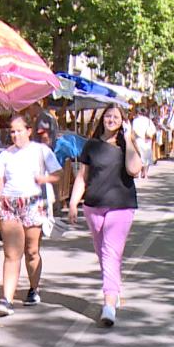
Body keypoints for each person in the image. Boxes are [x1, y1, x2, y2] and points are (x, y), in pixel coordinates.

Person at [68, 105, 143, 328]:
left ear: (123, 121)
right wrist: (73, 202)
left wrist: (129, 138)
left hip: (121, 206)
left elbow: (134, 170)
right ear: (102, 119)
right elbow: (83, 176)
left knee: (110, 253)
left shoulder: (126, 144)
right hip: (93, 206)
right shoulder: (92, 146)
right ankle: (114, 290)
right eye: (108, 116)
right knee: (104, 254)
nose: (111, 120)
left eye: (116, 117)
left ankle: (108, 304)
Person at [0, 114, 62, 317]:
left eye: (19, 130)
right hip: (9, 204)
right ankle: (7, 300)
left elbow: (59, 175)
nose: (15, 135)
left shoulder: (41, 151)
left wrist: (44, 178)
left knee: (32, 251)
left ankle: (34, 289)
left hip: (33, 203)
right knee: (11, 254)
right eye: (12, 131)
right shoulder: (5, 155)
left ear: (29, 131)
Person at [131, 109, 157, 179]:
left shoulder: (135, 121)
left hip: (138, 140)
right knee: (146, 158)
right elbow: (154, 130)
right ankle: (145, 174)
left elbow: (133, 130)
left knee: (140, 157)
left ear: (138, 113)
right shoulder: (148, 120)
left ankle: (139, 173)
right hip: (147, 140)